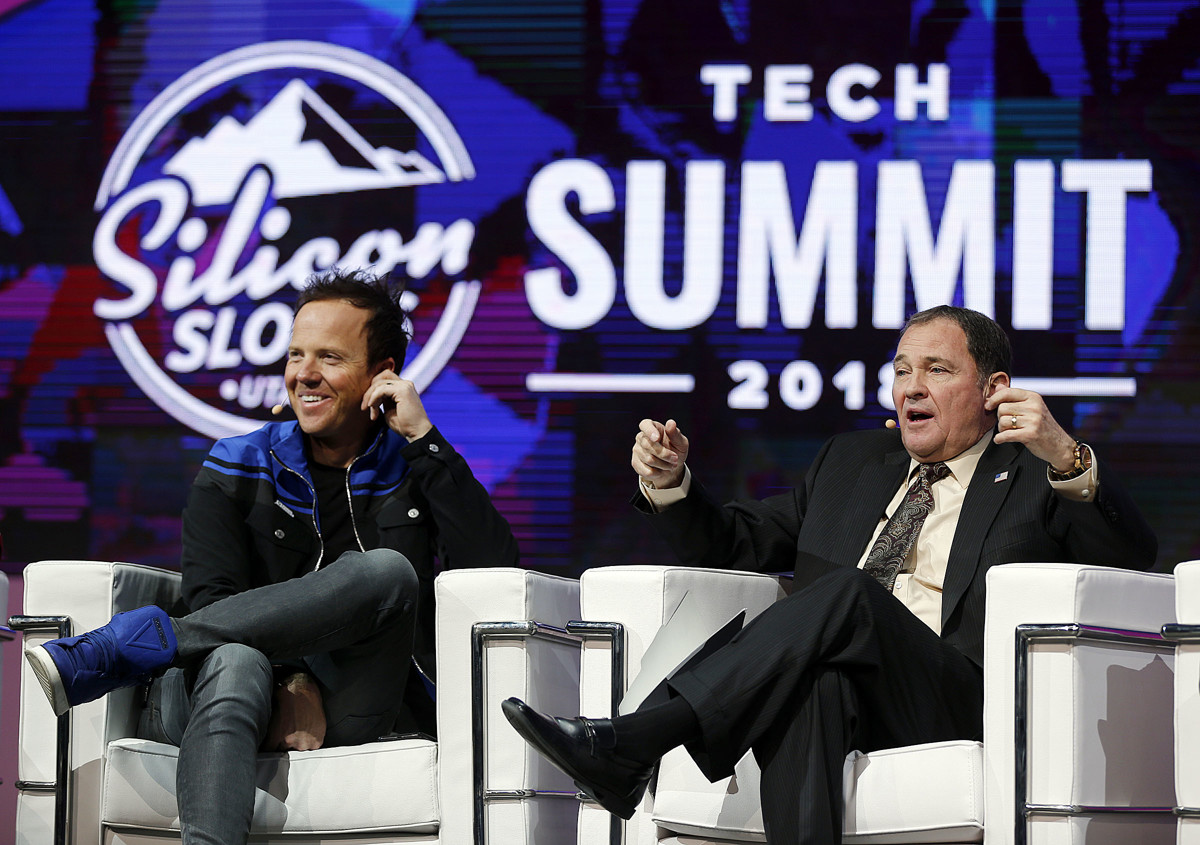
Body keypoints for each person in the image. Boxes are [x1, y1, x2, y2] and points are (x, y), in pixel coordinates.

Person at [503, 305, 1156, 844]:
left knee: (847, 592)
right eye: (901, 370)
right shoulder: (850, 461)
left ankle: (641, 736)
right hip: (851, 683)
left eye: (937, 369)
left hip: (951, 695)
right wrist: (672, 484)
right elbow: (738, 543)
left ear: (994, 389)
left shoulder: (1032, 475)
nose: (911, 387)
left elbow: (1128, 559)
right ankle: (636, 746)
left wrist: (1069, 458)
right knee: (812, 681)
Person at [25, 268, 519, 845]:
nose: (303, 375)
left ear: (383, 375)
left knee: (386, 573)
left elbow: (494, 573)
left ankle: (131, 643)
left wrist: (424, 439)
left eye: (330, 358)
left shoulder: (415, 468)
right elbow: (214, 599)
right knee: (237, 661)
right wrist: (292, 680)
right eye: (295, 355)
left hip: (359, 700)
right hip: (218, 687)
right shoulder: (236, 462)